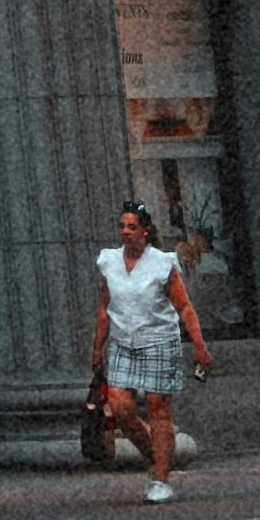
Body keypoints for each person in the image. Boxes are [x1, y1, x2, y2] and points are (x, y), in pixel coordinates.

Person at [87, 196, 207, 494]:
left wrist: (199, 346)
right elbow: (104, 307)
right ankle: (156, 457)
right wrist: (97, 346)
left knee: (158, 408)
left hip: (158, 340)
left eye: (132, 227)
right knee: (121, 407)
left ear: (145, 231)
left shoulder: (161, 264)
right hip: (122, 341)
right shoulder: (110, 262)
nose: (125, 232)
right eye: (122, 226)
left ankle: (161, 479)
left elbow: (184, 307)